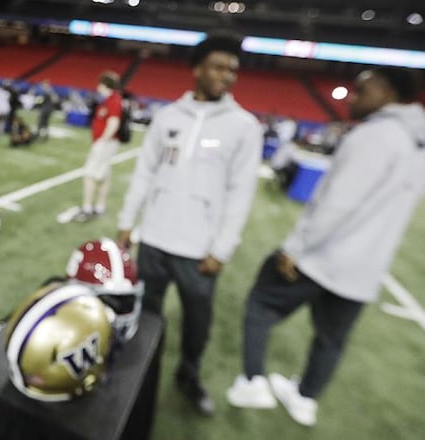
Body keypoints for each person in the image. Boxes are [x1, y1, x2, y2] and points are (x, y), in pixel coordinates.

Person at [226, 67, 425, 426]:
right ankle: (305, 399)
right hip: (364, 271)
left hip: (321, 258)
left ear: (388, 91)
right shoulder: (417, 144)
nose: (353, 97)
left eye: (363, 90)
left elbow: (337, 203)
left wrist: (295, 247)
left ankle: (253, 381)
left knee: (260, 304)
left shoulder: (376, 136)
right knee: (331, 340)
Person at [116, 32, 263, 416]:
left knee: (197, 323)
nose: (227, 75)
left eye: (232, 69)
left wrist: (222, 248)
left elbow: (241, 192)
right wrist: (127, 222)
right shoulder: (167, 117)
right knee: (146, 314)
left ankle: (188, 375)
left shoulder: (245, 126)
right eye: (218, 66)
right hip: (154, 240)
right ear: (197, 69)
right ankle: (138, 373)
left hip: (199, 252)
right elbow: (145, 173)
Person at [73, 70, 123, 222]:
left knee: (90, 174)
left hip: (105, 143)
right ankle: (100, 206)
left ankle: (87, 208)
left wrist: (102, 140)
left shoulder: (113, 100)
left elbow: (114, 122)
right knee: (103, 176)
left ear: (104, 84)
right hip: (108, 142)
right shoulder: (110, 100)